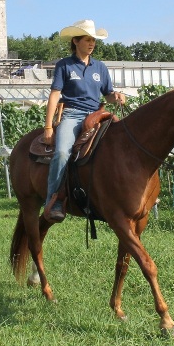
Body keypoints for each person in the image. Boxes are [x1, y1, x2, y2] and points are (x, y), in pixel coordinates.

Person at [43, 19, 126, 222]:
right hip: (72, 114)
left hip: (98, 114)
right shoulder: (65, 65)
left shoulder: (101, 67)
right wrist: (48, 126)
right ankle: (54, 200)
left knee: (124, 143)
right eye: (88, 39)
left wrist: (116, 96)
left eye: (94, 40)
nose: (92, 43)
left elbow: (107, 95)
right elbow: (55, 95)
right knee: (62, 153)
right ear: (76, 41)